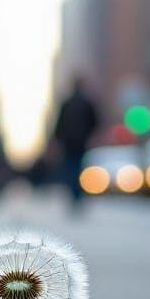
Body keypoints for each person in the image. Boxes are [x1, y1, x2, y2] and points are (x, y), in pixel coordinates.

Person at [53, 77, 100, 205]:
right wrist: (90, 135)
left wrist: (57, 139)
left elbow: (59, 124)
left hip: (69, 143)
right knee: (78, 168)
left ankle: (74, 194)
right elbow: (95, 122)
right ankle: (77, 194)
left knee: (71, 169)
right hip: (81, 142)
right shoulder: (87, 102)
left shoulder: (67, 103)